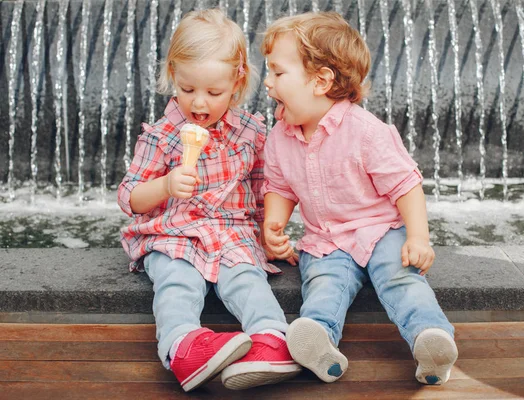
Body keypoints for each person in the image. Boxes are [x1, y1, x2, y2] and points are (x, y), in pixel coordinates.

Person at [260, 11, 458, 386]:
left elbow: (405, 185)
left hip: (382, 231)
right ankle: (317, 339)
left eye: (278, 73)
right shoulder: (279, 137)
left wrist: (418, 237)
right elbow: (280, 187)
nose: (267, 83)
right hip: (327, 240)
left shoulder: (367, 132)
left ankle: (431, 339)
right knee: (322, 283)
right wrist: (274, 225)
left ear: (321, 81)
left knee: (401, 279)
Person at [117, 9, 301, 393]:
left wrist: (271, 235)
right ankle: (183, 345)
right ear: (173, 75)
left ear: (238, 81)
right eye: (187, 90)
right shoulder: (162, 134)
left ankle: (272, 340)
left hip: (233, 233)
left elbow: (262, 185)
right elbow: (130, 197)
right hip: (174, 233)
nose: (199, 103)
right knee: (176, 282)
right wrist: (166, 185)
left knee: (248, 281)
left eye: (213, 93)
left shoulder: (250, 131)